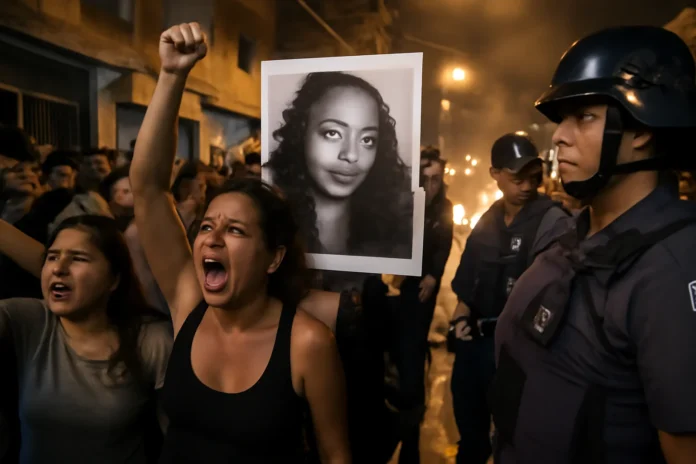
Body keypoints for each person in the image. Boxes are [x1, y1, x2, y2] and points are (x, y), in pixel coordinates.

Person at [130, 22, 350, 463]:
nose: (212, 239)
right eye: (206, 227)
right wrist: (171, 75)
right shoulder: (189, 305)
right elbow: (149, 188)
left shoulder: (308, 343)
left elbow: (335, 456)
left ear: (274, 258)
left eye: (235, 230)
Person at [488, 26, 696, 464]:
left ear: (640, 130)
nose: (559, 136)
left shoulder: (670, 270)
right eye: (562, 119)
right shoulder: (573, 236)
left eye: (583, 116)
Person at [0, 215, 172, 463]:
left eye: (78, 258)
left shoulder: (150, 339)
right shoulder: (28, 319)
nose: (59, 268)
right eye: (52, 257)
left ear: (114, 279)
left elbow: (180, 437)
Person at [449, 133, 567, 464]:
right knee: (471, 439)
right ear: (495, 174)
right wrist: (460, 317)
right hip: (476, 347)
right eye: (518, 179)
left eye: (534, 177)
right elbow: (467, 281)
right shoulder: (488, 219)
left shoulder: (553, 220)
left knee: (515, 443)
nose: (527, 186)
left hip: (519, 352)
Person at [266, 71, 413, 259]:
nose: (351, 155)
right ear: (301, 133)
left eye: (367, 140)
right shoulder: (270, 221)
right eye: (333, 133)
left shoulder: (396, 232)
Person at [389, 146, 453, 463]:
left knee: (411, 363)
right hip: (390, 291)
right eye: (425, 178)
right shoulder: (399, 204)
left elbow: (442, 247)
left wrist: (433, 275)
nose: (431, 185)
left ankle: (410, 443)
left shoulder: (444, 209)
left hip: (419, 292)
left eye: (436, 179)